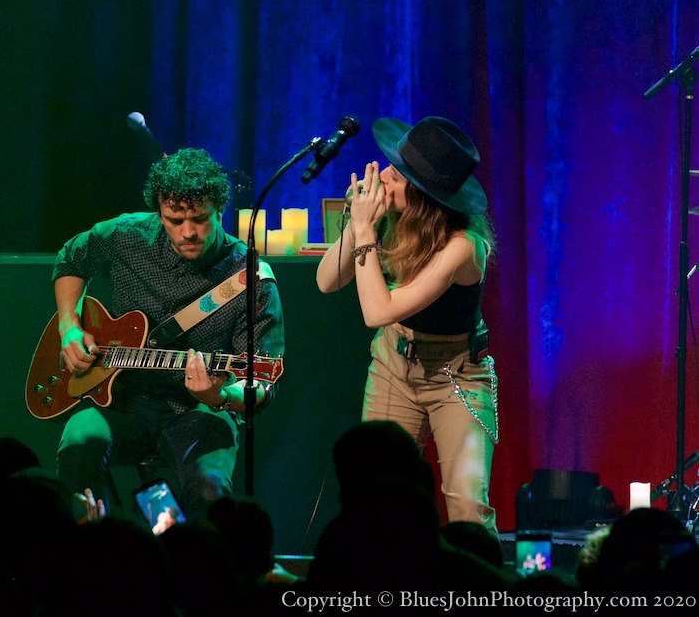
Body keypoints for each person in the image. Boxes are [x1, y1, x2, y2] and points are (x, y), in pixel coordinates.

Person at [53, 147, 284, 520]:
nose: (188, 232)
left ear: (220, 209)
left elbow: (261, 383)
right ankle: (92, 561)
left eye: (200, 218)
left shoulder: (250, 278)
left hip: (200, 411)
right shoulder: (128, 236)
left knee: (209, 488)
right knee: (79, 442)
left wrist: (220, 394)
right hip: (122, 401)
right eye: (174, 219)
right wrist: (68, 328)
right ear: (159, 211)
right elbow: (70, 257)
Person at [316, 116, 498, 537]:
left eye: (394, 175)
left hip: (456, 375)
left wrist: (364, 230)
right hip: (393, 365)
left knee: (467, 504)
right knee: (374, 493)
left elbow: (379, 311)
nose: (382, 179)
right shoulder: (395, 219)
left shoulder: (464, 247)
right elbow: (327, 281)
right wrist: (357, 223)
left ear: (423, 194)